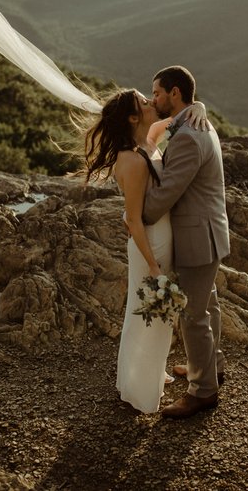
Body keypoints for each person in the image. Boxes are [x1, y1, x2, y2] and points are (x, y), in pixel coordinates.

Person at [82, 88, 207, 413]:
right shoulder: (132, 159)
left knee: (152, 315)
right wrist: (153, 265)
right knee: (150, 316)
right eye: (144, 101)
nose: (152, 102)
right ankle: (140, 391)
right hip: (150, 244)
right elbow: (135, 220)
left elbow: (175, 117)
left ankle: (148, 372)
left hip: (162, 238)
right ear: (134, 117)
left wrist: (201, 107)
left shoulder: (147, 140)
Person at [142, 66, 230, 419]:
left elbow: (166, 194)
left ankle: (202, 391)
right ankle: (211, 366)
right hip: (207, 232)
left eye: (158, 93)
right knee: (208, 305)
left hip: (198, 236)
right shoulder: (196, 124)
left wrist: (136, 214)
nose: (154, 99)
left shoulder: (188, 138)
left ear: (175, 94)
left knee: (193, 315)